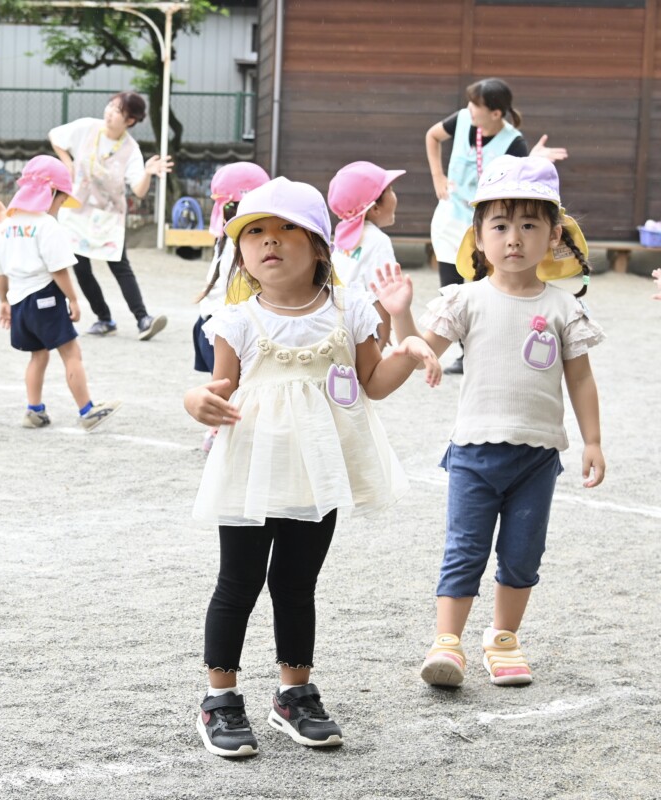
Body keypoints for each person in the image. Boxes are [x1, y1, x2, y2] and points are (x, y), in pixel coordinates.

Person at [183, 177, 440, 758]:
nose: (269, 242)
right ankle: (219, 698)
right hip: (251, 468)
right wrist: (193, 402)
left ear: (321, 245)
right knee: (238, 583)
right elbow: (218, 387)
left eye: (286, 229)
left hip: (320, 470)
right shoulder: (238, 319)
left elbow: (373, 384)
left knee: (297, 585)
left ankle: (293, 694)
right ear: (242, 254)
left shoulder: (349, 310)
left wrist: (407, 336)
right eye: (255, 233)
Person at [372, 155, 605, 689]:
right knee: (465, 549)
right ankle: (447, 643)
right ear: (478, 236)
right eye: (500, 225)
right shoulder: (465, 298)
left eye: (529, 225)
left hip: (539, 455)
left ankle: (503, 640)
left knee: (523, 553)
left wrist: (592, 440)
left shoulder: (564, 308)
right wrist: (401, 312)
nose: (514, 238)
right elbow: (414, 352)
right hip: (475, 452)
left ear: (553, 237)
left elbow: (582, 380)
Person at [426, 77, 567, 374]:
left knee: (484, 288)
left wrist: (533, 159)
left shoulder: (513, 141)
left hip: (489, 230)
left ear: (496, 113)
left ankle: (484, 350)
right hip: (451, 219)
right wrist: (438, 177)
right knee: (450, 288)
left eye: (476, 105)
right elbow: (432, 135)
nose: (469, 109)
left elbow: (520, 182)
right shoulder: (463, 119)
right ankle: (463, 353)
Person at [0, 155, 121, 430]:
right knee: (71, 352)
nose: (60, 207)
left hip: (20, 300)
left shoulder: (7, 225)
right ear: (52, 193)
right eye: (60, 200)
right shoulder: (47, 225)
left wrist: (3, 301)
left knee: (38, 355)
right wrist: (73, 298)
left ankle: (34, 410)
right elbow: (58, 269)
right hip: (45, 295)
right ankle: (87, 410)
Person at [48, 90, 172, 341]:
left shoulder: (131, 150)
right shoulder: (87, 127)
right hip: (76, 211)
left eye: (117, 111)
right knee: (81, 268)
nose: (109, 113)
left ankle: (142, 319)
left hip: (108, 217)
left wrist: (147, 172)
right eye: (110, 107)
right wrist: (67, 162)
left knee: (120, 266)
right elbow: (56, 136)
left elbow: (138, 190)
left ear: (130, 121)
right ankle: (104, 318)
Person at [192, 161, 270, 452]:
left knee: (229, 386)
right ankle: (217, 434)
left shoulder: (226, 237)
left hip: (208, 324)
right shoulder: (246, 243)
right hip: (225, 330)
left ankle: (219, 431)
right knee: (233, 388)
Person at [328, 160, 405, 349]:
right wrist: (383, 336)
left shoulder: (342, 234)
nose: (395, 196)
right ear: (375, 208)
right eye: (391, 190)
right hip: (362, 331)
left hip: (333, 325)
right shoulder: (378, 241)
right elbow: (382, 293)